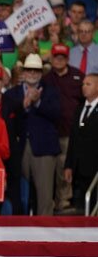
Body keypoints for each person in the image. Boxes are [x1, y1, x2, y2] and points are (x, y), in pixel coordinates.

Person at [2, 54, 61, 215]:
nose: (32, 73)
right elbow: (6, 117)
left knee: (44, 196)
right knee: (21, 194)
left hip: (44, 149)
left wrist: (38, 102)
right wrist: (24, 104)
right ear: (23, 71)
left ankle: (45, 229)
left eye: (36, 70)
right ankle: (22, 228)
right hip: (18, 150)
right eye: (29, 70)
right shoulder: (11, 94)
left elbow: (56, 114)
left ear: (41, 73)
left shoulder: (51, 91)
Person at [43, 44, 83, 213]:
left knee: (65, 167)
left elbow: (85, 101)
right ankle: (51, 204)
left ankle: (64, 201)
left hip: (70, 131)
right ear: (51, 58)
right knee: (49, 171)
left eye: (62, 57)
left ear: (67, 59)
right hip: (50, 132)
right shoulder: (45, 79)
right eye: (56, 57)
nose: (59, 60)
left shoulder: (78, 76)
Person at [65, 74, 98, 212]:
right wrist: (68, 165)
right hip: (78, 169)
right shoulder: (79, 108)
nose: (84, 87)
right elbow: (73, 139)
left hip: (95, 169)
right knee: (80, 208)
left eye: (88, 84)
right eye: (83, 84)